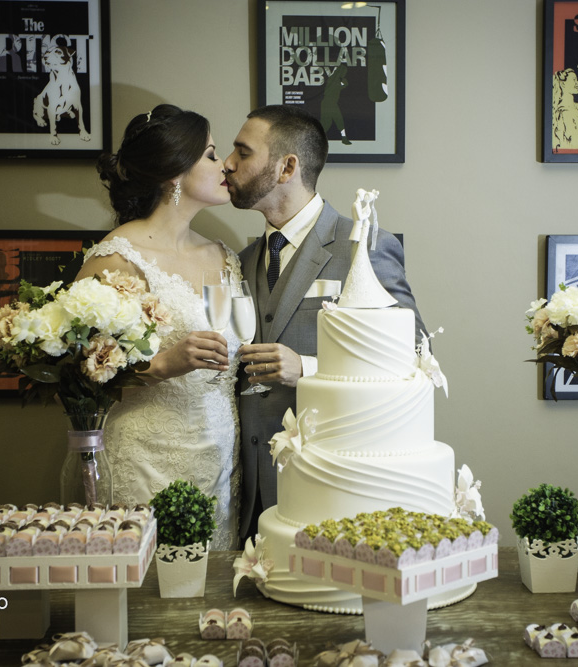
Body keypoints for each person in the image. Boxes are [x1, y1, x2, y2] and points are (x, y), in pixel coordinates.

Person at [222, 104, 425, 542]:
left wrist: (308, 369)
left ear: (286, 167)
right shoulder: (243, 261)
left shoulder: (363, 248)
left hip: (333, 486)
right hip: (253, 492)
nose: (228, 164)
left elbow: (416, 357)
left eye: (243, 152)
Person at [76, 104, 241, 549]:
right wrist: (167, 362)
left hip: (218, 453)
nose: (224, 163)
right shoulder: (118, 256)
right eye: (210, 154)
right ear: (174, 173)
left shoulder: (225, 257)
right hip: (145, 454)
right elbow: (84, 379)